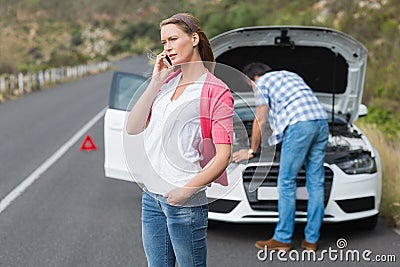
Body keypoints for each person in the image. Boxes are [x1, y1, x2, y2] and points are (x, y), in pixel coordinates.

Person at [126, 13, 234, 267]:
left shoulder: (215, 91)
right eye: (164, 43)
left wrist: (184, 192)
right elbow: (133, 126)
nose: (167, 47)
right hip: (151, 196)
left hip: (184, 199)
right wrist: (156, 81)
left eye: (173, 39)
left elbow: (223, 156)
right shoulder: (166, 83)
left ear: (194, 38)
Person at [233, 63, 328, 251]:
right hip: (321, 123)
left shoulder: (262, 83)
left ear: (252, 79)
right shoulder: (291, 74)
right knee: (316, 183)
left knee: (286, 181)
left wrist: (251, 150)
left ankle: (282, 239)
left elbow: (260, 120)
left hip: (300, 126)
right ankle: (311, 240)